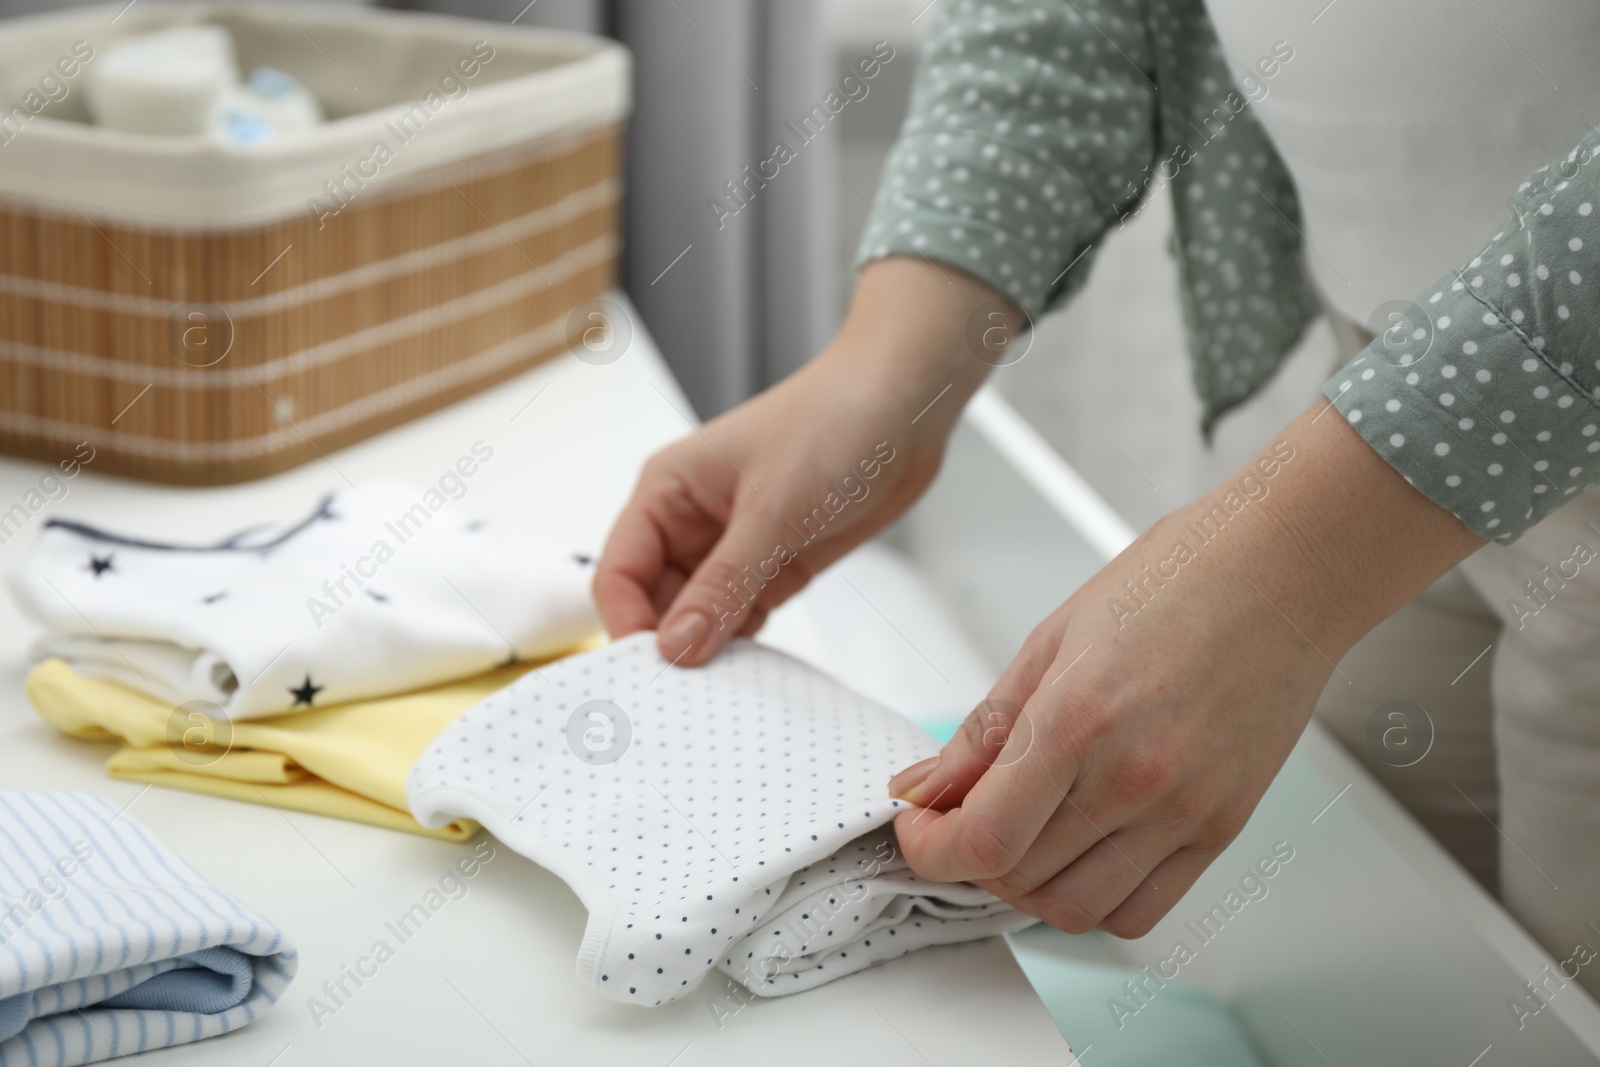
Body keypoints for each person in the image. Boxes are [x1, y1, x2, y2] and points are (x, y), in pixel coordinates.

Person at [595, 0, 1600, 994]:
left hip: (1483, 425)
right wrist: (883, 368)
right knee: (1392, 969)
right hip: (1388, 373)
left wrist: (1286, 572)